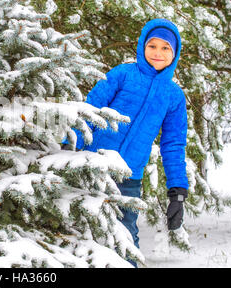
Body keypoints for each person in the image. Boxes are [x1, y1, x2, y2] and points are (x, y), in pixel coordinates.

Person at [62, 19, 189, 266]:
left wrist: (177, 193)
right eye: (153, 46)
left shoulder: (173, 95)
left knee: (125, 238)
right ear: (142, 46)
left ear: (175, 53)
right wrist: (69, 143)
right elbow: (90, 108)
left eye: (166, 48)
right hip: (90, 164)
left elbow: (173, 144)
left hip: (128, 178)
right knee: (77, 231)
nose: (158, 53)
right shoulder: (122, 74)